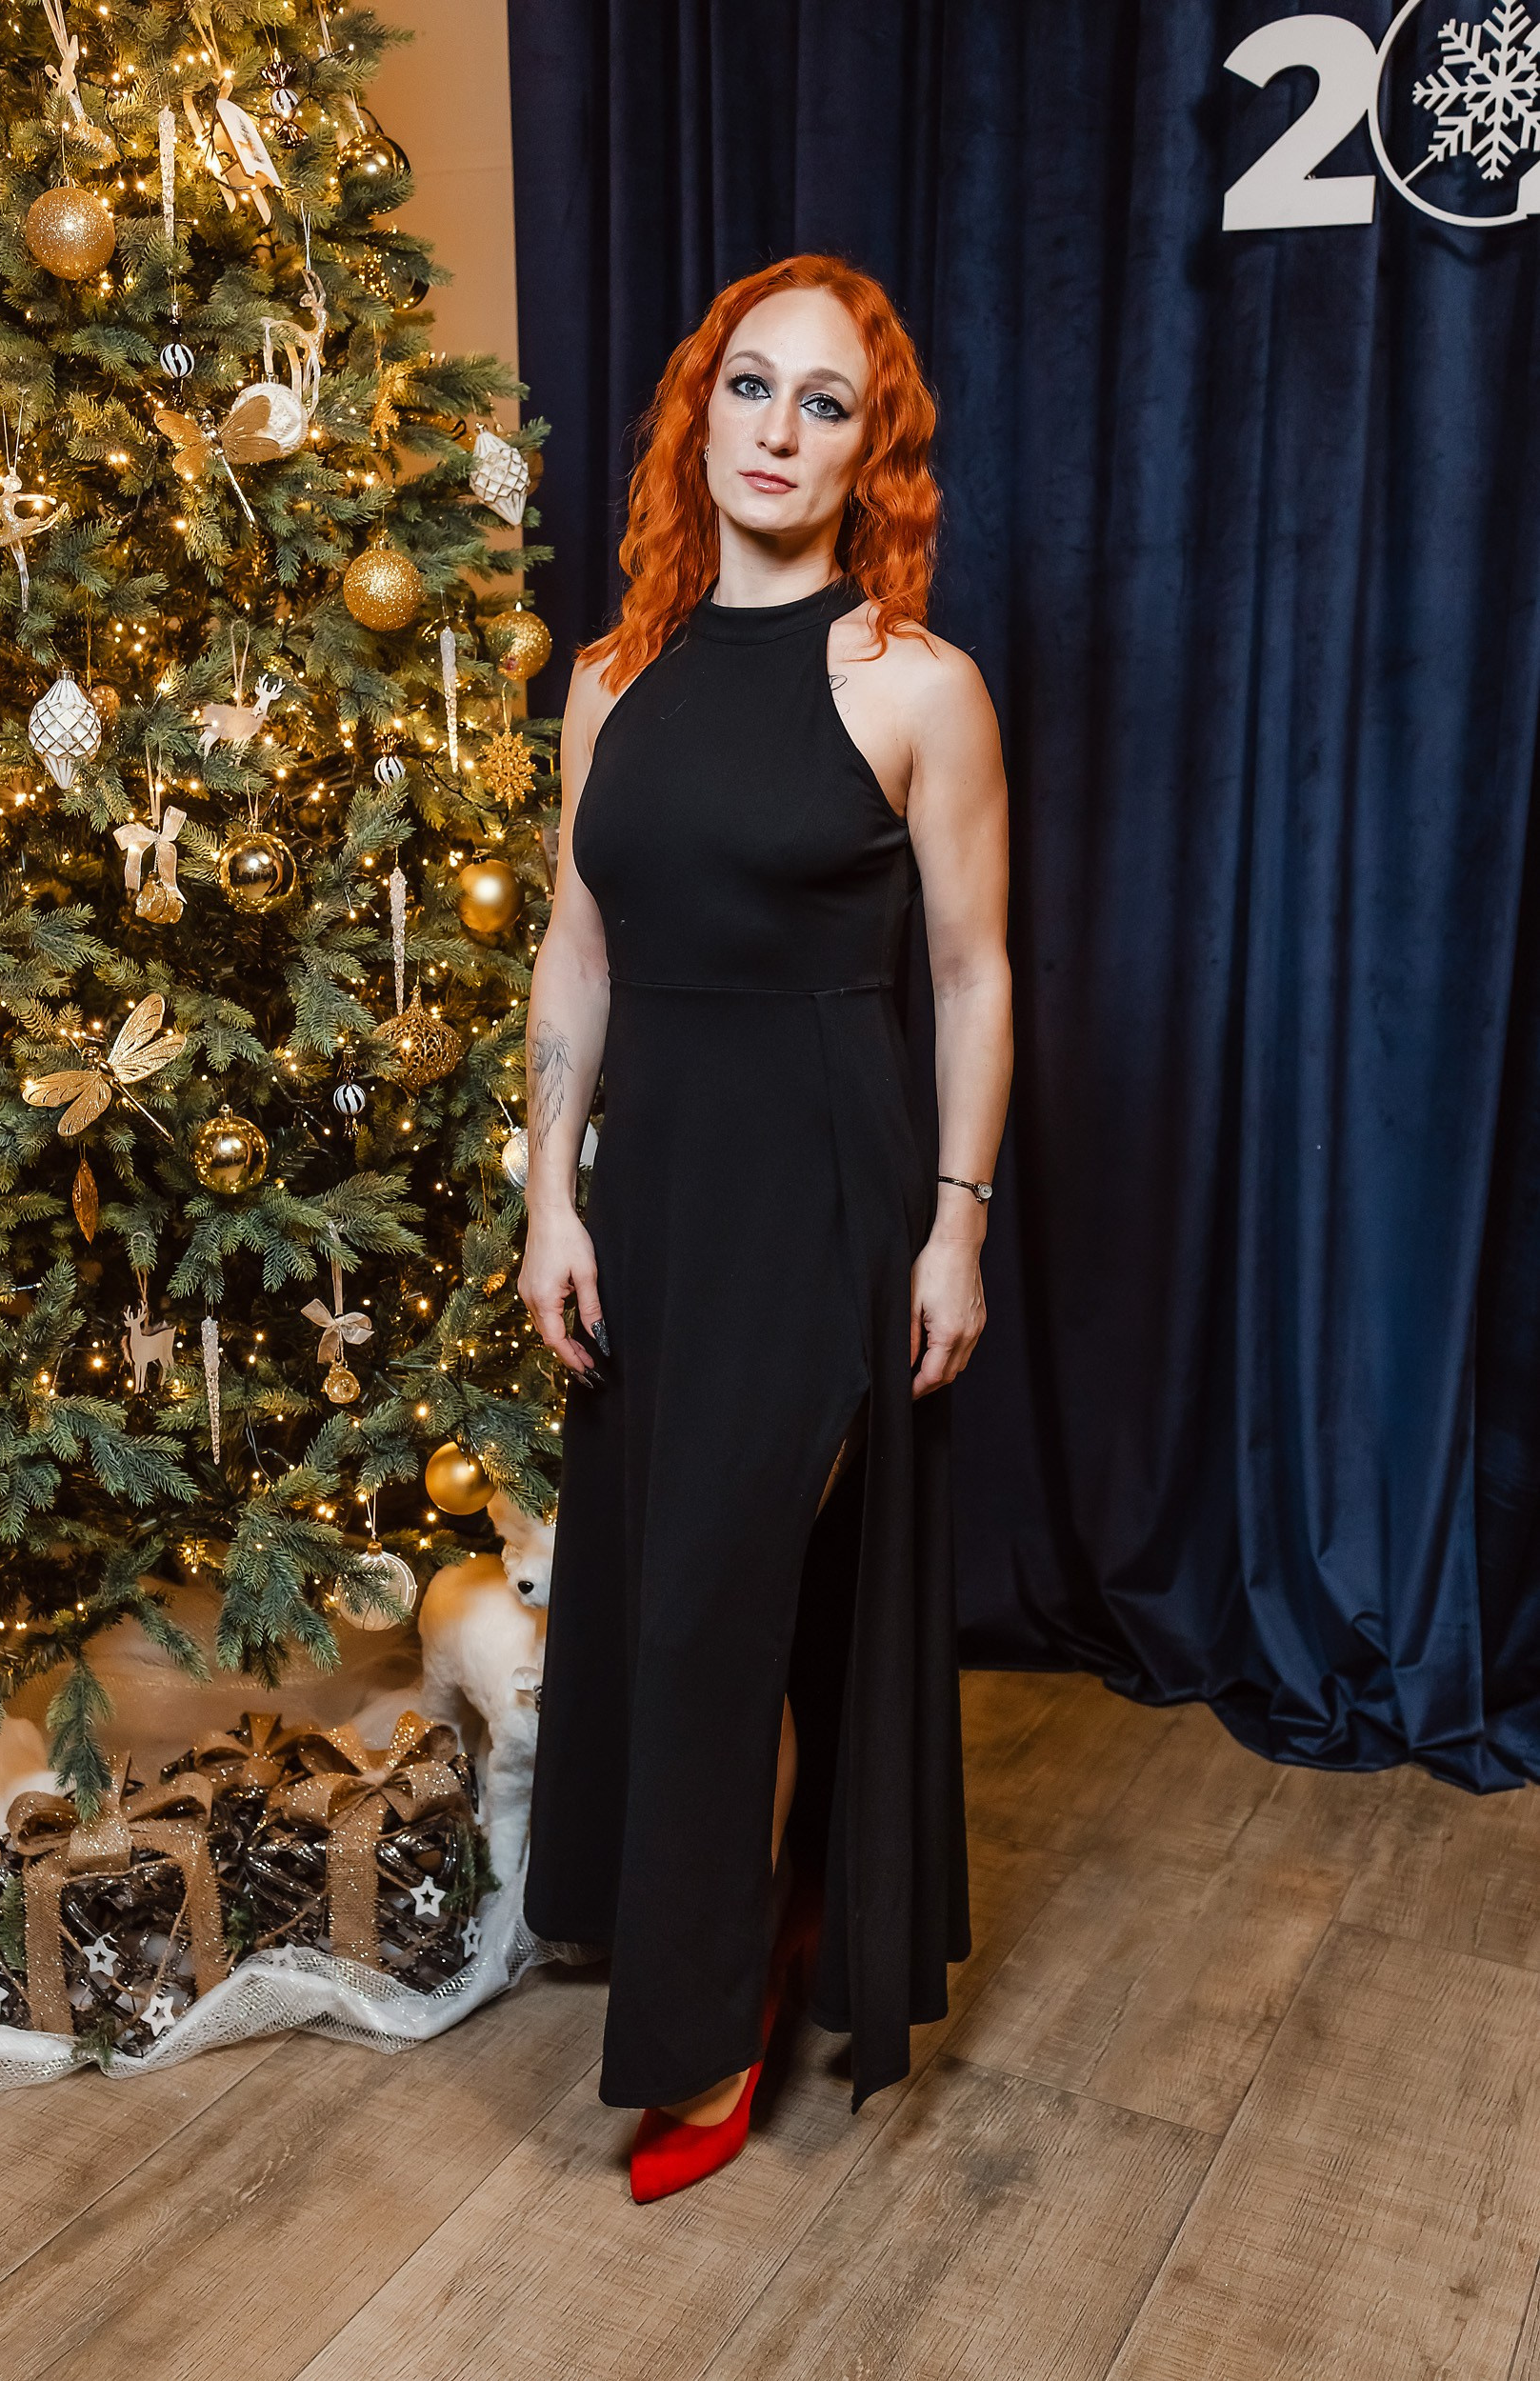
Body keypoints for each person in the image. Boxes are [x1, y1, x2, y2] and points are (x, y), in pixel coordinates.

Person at [517, 251, 1013, 2202]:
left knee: (720, 1597)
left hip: (824, 1189)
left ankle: (704, 2028)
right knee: (678, 1584)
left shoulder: (915, 684)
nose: (779, 431)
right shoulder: (611, 678)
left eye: (827, 403)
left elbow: (970, 974)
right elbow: (577, 950)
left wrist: (956, 1227)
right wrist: (551, 1194)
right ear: (698, 411)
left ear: (868, 449)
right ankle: (770, 1901)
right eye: (750, 385)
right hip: (655, 1196)